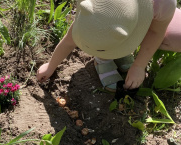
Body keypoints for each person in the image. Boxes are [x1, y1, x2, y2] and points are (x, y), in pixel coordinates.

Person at [36, 0, 181, 92]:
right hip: (107, 15)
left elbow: (156, 32)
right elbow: (69, 40)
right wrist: (50, 66)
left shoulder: (163, 3)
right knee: (103, 33)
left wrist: (139, 66)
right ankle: (103, 58)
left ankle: (116, 49)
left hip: (151, 12)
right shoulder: (93, 8)